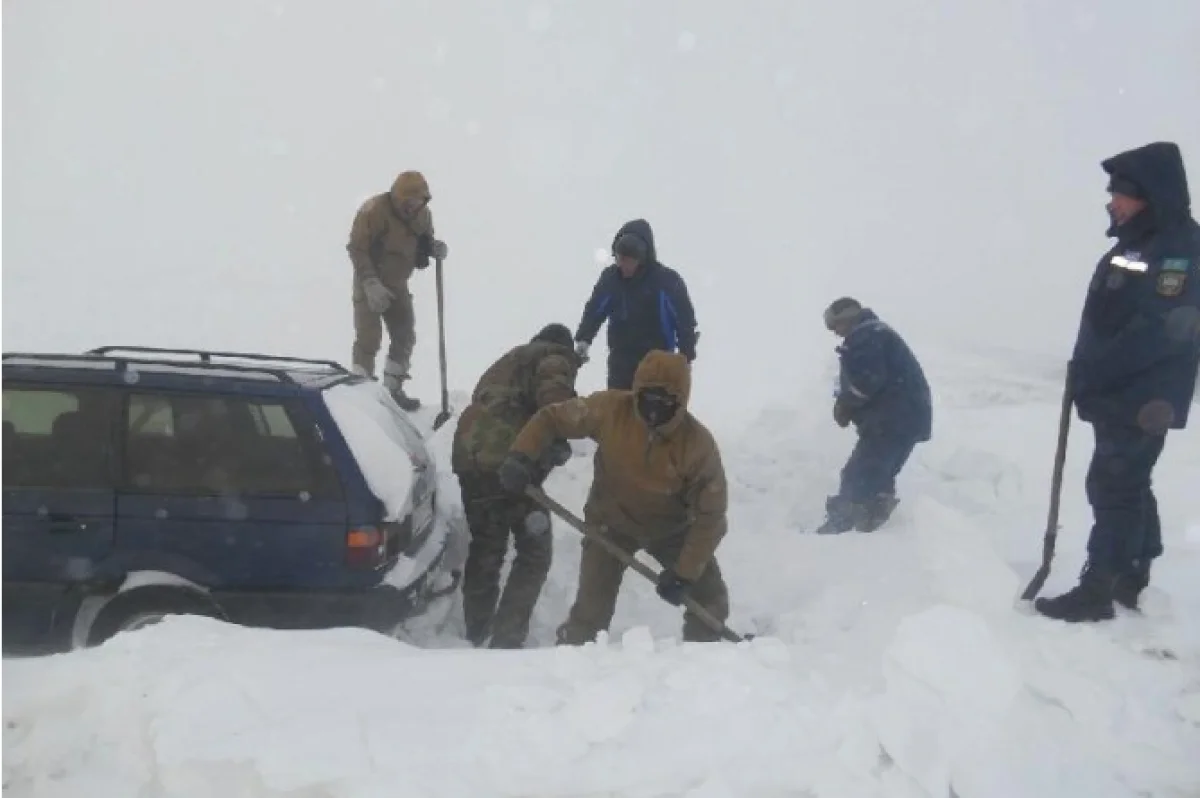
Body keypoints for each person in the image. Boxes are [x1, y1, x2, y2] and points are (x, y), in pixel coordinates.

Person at [1035, 141, 1200, 623]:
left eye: (1120, 193)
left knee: (1113, 485)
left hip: (1141, 395)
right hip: (1126, 393)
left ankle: (1098, 588)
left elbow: (1162, 330)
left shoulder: (1177, 248)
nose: (1112, 201)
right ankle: (1132, 570)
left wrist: (1097, 370)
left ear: (1148, 194)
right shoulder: (1139, 243)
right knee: (1126, 481)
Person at [496, 349, 731, 644]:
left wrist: (684, 573)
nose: (654, 410)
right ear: (636, 392)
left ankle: (701, 666)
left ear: (682, 402)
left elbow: (711, 517)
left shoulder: (697, 446)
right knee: (589, 613)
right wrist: (522, 455)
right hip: (610, 524)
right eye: (647, 398)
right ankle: (570, 666)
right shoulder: (610, 410)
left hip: (671, 531)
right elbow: (552, 418)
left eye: (666, 402)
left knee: (710, 600)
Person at [450, 323, 581, 648]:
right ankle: (506, 638)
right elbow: (556, 403)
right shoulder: (554, 358)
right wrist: (561, 436)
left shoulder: (509, 361)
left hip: (470, 458)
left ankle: (476, 632)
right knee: (534, 551)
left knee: (487, 545)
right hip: (508, 461)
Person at [816, 298, 932, 535]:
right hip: (905, 419)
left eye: (835, 325)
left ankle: (840, 529)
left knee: (858, 475)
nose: (835, 333)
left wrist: (845, 404)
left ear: (846, 318)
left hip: (891, 420)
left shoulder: (866, 335)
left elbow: (866, 381)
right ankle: (874, 525)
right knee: (878, 475)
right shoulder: (877, 333)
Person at [346, 170, 448, 411]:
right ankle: (364, 396)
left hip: (399, 284)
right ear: (396, 197)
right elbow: (356, 248)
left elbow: (424, 242)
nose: (410, 207)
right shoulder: (373, 211)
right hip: (369, 282)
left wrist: (434, 248)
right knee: (368, 339)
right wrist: (370, 283)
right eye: (406, 202)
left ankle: (393, 389)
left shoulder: (423, 216)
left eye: (416, 202)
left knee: (404, 335)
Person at [573, 219, 699, 389]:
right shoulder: (611, 279)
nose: (622, 265)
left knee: (652, 411)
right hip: (620, 362)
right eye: (619, 259)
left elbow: (684, 320)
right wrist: (584, 339)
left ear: (641, 258)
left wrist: (686, 355)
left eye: (627, 261)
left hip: (658, 363)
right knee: (619, 412)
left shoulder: (666, 281)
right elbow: (595, 309)